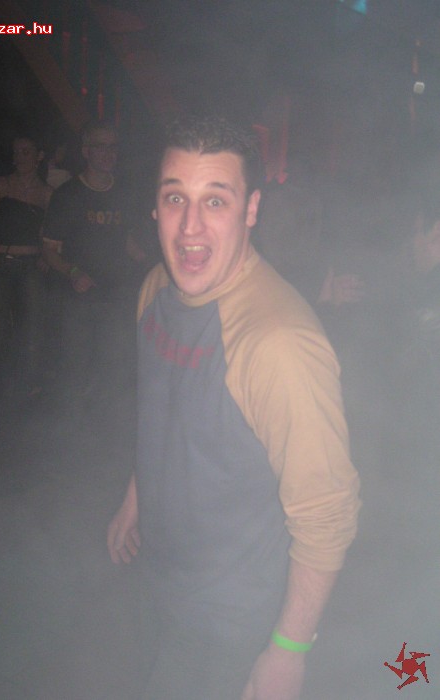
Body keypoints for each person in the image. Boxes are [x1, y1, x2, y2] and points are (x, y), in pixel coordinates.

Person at [107, 115, 360, 700]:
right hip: (159, 579)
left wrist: (288, 651)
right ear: (154, 208)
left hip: (232, 616)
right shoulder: (155, 289)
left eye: (215, 201)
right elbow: (163, 411)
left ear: (251, 210)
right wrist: (135, 497)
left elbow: (328, 514)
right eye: (175, 198)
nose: (190, 226)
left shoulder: (278, 344)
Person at [42, 119, 146, 416]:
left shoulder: (125, 192)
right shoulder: (68, 195)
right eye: (101, 146)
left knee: (115, 367)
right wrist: (73, 272)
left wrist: (153, 266)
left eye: (113, 146)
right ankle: (68, 429)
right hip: (78, 299)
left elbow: (126, 241)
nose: (108, 153)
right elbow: (48, 249)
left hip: (116, 296)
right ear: (86, 151)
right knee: (75, 368)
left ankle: (105, 430)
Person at [0, 131, 52, 395]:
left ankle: (26, 386)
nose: (19, 157)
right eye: (16, 152)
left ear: (39, 156)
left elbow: (46, 235)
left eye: (25, 151)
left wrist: (45, 258)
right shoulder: (2, 184)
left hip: (30, 265)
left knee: (32, 325)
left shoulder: (47, 193)